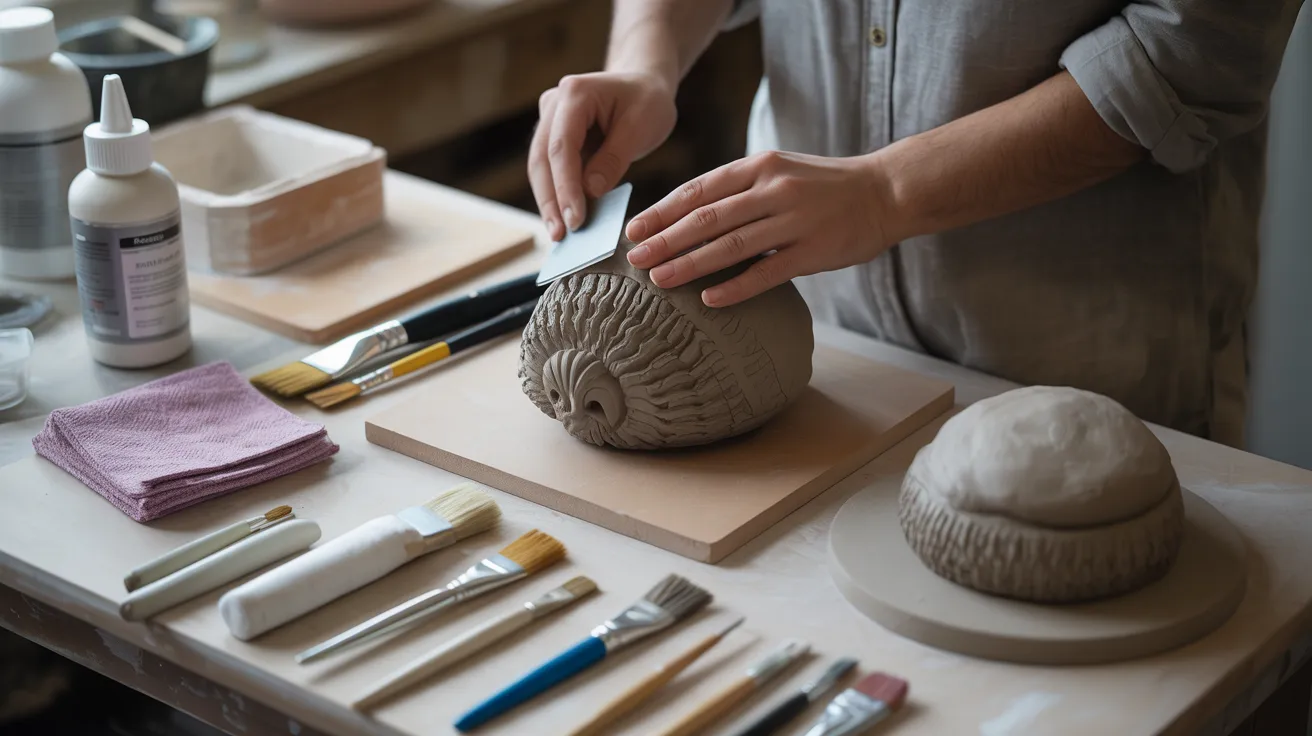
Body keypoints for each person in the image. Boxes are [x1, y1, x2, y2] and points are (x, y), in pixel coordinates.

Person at [528, 0, 1305, 448]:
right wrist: (644, 57)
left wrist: (884, 193)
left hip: (1082, 351)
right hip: (813, 319)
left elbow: (1192, 51)